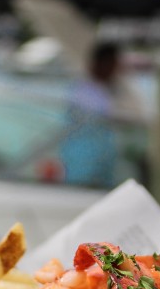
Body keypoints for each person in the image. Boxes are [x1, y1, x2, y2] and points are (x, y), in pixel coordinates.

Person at [60, 42, 147, 187]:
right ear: (101, 63)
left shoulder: (102, 91)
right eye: (113, 64)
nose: (115, 70)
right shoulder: (83, 92)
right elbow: (115, 115)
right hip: (83, 165)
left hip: (100, 164)